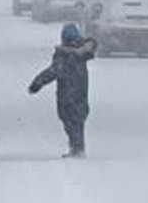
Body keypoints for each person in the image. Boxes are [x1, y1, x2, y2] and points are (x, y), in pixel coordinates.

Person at [28, 21, 97, 157]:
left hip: (66, 95)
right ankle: (78, 146)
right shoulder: (82, 54)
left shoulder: (63, 56)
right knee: (78, 120)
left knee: (69, 121)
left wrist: (36, 84)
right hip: (81, 93)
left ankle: (76, 147)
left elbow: (52, 72)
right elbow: (91, 44)